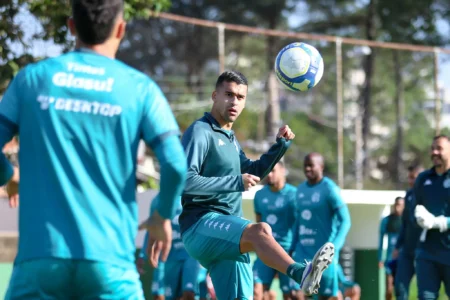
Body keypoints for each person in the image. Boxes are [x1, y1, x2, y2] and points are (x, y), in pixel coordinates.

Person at [2, 0, 187, 298]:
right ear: (121, 29)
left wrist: (9, 176)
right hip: (110, 263)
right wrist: (161, 214)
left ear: (72, 26)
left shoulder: (31, 79)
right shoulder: (139, 88)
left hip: (40, 259)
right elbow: (176, 164)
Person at [179, 71, 335, 300]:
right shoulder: (200, 131)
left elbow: (253, 171)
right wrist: (235, 182)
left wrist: (280, 146)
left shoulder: (230, 139)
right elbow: (186, 181)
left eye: (240, 97)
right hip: (201, 225)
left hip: (228, 236)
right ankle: (301, 274)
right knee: (261, 231)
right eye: (229, 94)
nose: (234, 101)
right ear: (214, 95)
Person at [290, 153, 351, 300]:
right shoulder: (300, 190)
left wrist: (333, 247)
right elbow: (299, 220)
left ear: (321, 167)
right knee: (299, 295)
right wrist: (292, 247)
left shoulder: (330, 189)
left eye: (311, 165)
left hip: (323, 256)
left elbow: (345, 221)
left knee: (327, 296)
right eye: (305, 166)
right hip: (303, 252)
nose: (308, 169)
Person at [252, 161, 299, 300]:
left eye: (273, 171)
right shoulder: (259, 195)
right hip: (265, 249)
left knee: (290, 295)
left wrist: (295, 250)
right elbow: (259, 223)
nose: (269, 175)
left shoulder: (293, 195)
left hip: (286, 251)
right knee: (257, 291)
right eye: (268, 171)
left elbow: (298, 224)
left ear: (283, 171)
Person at [413, 135, 450, 300]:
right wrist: (418, 216)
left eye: (439, 148)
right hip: (427, 252)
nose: (434, 152)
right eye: (432, 148)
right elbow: (414, 208)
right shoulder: (423, 178)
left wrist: (441, 222)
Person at [392, 164, 423, 300]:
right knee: (400, 286)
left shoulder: (428, 195)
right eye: (409, 178)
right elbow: (405, 224)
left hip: (424, 250)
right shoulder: (409, 194)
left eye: (413, 178)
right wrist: (398, 246)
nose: (410, 181)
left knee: (424, 292)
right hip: (407, 250)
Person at [378, 197, 404, 300]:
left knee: (400, 289)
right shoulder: (387, 220)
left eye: (400, 205)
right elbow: (381, 239)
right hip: (390, 259)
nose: (398, 207)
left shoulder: (406, 222)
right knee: (389, 289)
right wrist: (380, 258)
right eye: (397, 205)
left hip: (402, 260)